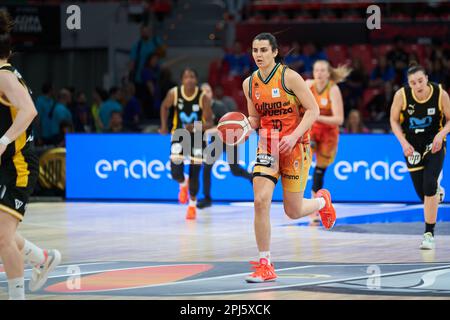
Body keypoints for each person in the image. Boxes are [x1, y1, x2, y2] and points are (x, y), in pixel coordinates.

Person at [242, 32, 336, 283]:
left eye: (263, 50)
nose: (258, 55)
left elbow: (313, 110)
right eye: (255, 50)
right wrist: (242, 130)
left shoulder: (290, 77)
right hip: (267, 147)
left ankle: (322, 203)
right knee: (260, 201)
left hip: (296, 146)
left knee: (292, 211)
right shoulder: (249, 84)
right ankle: (265, 264)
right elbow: (254, 119)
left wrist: (294, 136)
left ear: (274, 52)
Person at [0, 10, 61, 300]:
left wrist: (4, 139)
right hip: (6, 164)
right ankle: (42, 258)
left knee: (2, 238)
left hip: (18, 165)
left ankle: (16, 297)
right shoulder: (5, 73)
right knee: (2, 235)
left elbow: (30, 111)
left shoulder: (4, 76)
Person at [390, 61, 450, 250]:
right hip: (412, 145)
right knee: (423, 195)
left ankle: (429, 234)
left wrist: (441, 135)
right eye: (413, 83)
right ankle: (435, 194)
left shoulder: (440, 94)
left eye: (420, 81)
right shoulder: (401, 95)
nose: (417, 86)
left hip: (434, 142)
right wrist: (403, 143)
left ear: (427, 79)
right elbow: (393, 120)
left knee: (429, 184)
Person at [159, 67, 213, 220]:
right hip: (179, 135)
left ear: (196, 80)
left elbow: (209, 122)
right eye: (186, 77)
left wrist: (195, 126)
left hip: (197, 137)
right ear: (182, 80)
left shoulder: (203, 97)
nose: (189, 79)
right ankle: (183, 184)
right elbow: (164, 106)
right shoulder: (174, 93)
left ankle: (192, 205)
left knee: (195, 173)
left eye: (192, 77)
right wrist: (163, 125)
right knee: (175, 172)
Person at [305, 60, 349, 225]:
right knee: (301, 164)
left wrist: (316, 116)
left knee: (319, 171)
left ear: (329, 73)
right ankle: (299, 205)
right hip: (311, 130)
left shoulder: (333, 89)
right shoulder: (307, 85)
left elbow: (339, 119)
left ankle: (315, 208)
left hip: (329, 134)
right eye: (316, 70)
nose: (319, 74)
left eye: (323, 70)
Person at [197, 83, 252, 209]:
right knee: (206, 167)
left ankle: (253, 177)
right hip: (216, 142)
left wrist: (208, 131)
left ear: (212, 94)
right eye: (203, 92)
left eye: (208, 91)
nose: (206, 94)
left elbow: (228, 125)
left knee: (235, 170)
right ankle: (207, 198)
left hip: (230, 138)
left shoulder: (219, 106)